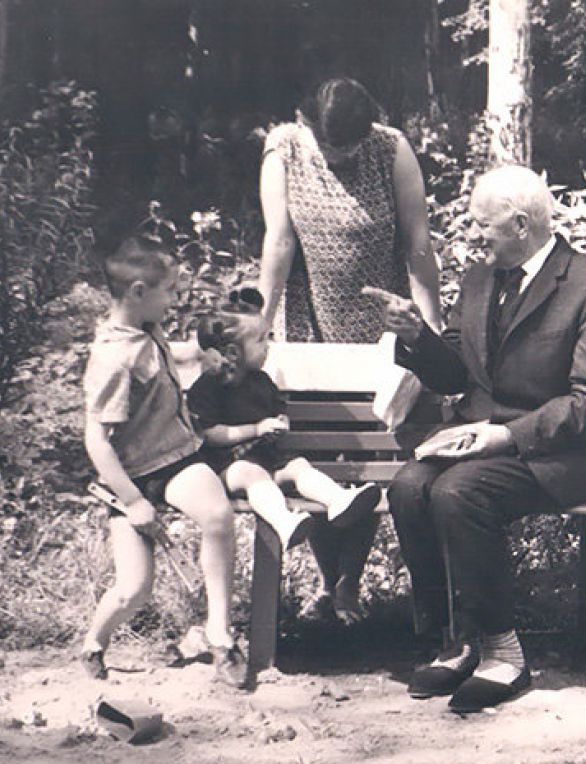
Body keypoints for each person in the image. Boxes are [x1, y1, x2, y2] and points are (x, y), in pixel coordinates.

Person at [369, 165, 586, 713]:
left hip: (559, 454)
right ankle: (455, 641)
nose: (473, 234)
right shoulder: (479, 279)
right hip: (480, 443)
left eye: (481, 224)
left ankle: (504, 654)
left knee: (458, 493)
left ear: (519, 224)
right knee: (409, 488)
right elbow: (456, 374)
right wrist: (417, 336)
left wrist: (507, 435)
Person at [257, 77, 443, 623]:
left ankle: (348, 585)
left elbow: (418, 242)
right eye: (330, 145)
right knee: (319, 451)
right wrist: (259, 326)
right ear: (306, 123)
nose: (340, 156)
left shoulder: (391, 149)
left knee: (368, 456)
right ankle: (325, 583)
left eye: (350, 147)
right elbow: (279, 242)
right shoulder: (284, 149)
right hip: (308, 318)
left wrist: (429, 325)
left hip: (379, 322)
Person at [80, 236, 247, 688]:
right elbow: (97, 442)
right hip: (129, 479)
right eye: (170, 290)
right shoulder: (113, 359)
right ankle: (94, 643)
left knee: (217, 515)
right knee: (134, 590)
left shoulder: (145, 327)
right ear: (138, 291)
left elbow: (161, 355)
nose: (175, 299)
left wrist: (199, 355)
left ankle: (220, 633)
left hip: (175, 457)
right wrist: (135, 502)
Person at [185, 287, 383, 551]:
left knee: (298, 466)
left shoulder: (262, 381)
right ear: (233, 352)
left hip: (268, 460)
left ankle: (337, 499)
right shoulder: (210, 387)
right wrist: (256, 429)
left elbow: (275, 410)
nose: (268, 346)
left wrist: (279, 422)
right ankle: (283, 521)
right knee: (251, 473)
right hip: (226, 467)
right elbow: (209, 434)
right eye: (260, 340)